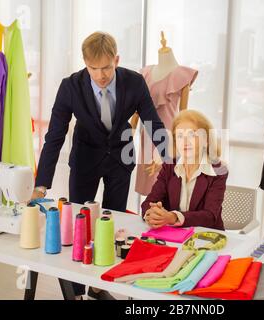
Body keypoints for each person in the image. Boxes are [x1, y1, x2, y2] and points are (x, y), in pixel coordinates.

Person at [32, 32, 167, 300]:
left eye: (106, 67)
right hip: (85, 156)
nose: (101, 75)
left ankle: (98, 286)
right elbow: (55, 136)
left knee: (110, 222)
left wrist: (168, 157)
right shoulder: (70, 86)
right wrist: (41, 184)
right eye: (94, 68)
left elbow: (152, 120)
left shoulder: (134, 82)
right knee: (80, 224)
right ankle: (77, 291)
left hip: (121, 155)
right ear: (85, 63)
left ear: (116, 60)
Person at [142, 110, 228, 230]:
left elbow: (210, 216)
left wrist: (173, 217)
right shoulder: (169, 166)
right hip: (173, 235)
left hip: (206, 238)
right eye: (180, 136)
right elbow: (148, 202)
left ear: (206, 140)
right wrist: (152, 213)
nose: (185, 142)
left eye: (192, 135)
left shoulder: (218, 171)